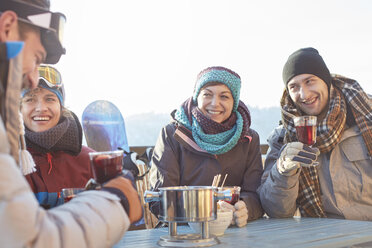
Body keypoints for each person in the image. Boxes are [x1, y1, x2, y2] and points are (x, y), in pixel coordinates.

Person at [0, 0, 142, 246]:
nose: (33, 79)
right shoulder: (15, 150)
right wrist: (116, 200)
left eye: (50, 99)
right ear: (8, 28)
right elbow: (29, 240)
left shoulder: (85, 157)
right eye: (35, 58)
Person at [258, 47, 372, 220]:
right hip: (320, 238)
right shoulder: (283, 137)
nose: (304, 94)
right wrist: (284, 170)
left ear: (326, 81)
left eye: (310, 81)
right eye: (294, 87)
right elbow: (276, 211)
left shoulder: (364, 118)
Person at [149, 66, 264, 227]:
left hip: (232, 231)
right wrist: (201, 212)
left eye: (224, 96)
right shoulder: (173, 134)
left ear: (234, 102)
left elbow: (255, 194)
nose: (215, 103)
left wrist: (244, 208)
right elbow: (158, 199)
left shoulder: (248, 139)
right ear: (197, 97)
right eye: (207, 95)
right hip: (182, 232)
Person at [20, 65, 94, 208]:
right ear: (18, 109)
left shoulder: (88, 160)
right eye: (30, 99)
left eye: (49, 99)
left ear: (61, 107)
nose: (41, 108)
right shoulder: (8, 162)